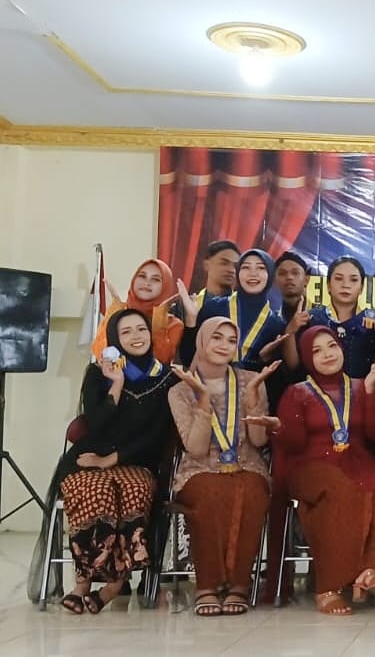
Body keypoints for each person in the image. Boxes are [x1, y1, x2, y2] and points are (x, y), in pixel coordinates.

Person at [52, 309, 179, 614]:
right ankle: (83, 583)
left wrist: (111, 459)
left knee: (132, 493)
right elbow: (94, 425)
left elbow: (157, 435)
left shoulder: (166, 378)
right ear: (114, 339)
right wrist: (117, 384)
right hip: (88, 457)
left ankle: (111, 587)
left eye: (141, 329)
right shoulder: (98, 373)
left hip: (137, 460)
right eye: (126, 332)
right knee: (95, 493)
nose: (136, 336)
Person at [270, 327, 375, 615]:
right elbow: (294, 444)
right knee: (339, 487)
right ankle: (327, 586)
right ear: (307, 357)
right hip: (309, 465)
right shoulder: (297, 392)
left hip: (355, 461)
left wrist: (371, 394)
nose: (327, 354)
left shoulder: (360, 386)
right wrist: (280, 428)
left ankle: (368, 571)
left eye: (331, 346)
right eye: (317, 350)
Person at [167, 318, 277, 616]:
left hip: (247, 464)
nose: (224, 345)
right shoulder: (180, 390)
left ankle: (239, 584)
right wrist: (203, 402)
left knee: (251, 492)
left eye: (231, 340)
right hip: (199, 468)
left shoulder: (252, 379)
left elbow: (258, 440)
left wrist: (253, 399)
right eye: (217, 337)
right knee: (210, 493)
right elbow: (196, 448)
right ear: (202, 341)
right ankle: (207, 586)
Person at [188, 249, 288, 373]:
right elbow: (188, 357)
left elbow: (276, 378)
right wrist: (191, 321)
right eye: (246, 267)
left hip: (252, 385)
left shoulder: (276, 325)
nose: (253, 274)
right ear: (238, 272)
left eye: (261, 268)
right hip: (206, 382)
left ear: (270, 275)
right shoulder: (213, 307)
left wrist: (262, 359)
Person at [302, 257, 375, 378]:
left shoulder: (374, 320)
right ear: (328, 285)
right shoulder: (313, 318)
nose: (345, 285)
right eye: (339, 279)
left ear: (361, 287)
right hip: (318, 388)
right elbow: (297, 368)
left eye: (353, 280)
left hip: (363, 388)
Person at [92, 258, 187, 364]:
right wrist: (115, 314)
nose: (147, 283)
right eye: (142, 276)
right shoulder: (117, 313)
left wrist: (159, 319)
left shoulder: (173, 325)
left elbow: (160, 361)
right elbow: (101, 353)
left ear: (165, 286)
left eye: (155, 279)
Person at [194, 239, 239, 304]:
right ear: (207, 264)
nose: (232, 270)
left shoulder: (242, 306)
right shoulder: (189, 304)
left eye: (235, 266)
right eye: (224, 263)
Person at [274, 251, 312, 317]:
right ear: (275, 281)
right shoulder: (269, 318)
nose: (289, 277)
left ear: (306, 279)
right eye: (282, 273)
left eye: (295, 273)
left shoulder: (325, 316)